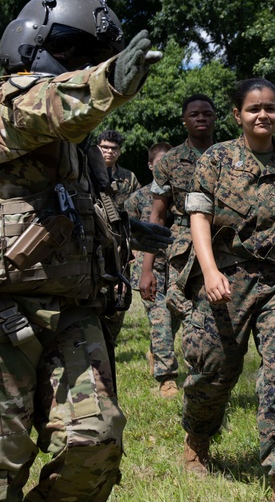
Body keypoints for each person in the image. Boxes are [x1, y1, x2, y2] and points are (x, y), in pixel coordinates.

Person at [0, 0, 169, 502]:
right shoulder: (5, 106)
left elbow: (66, 205)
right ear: (35, 44)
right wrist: (108, 81)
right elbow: (47, 108)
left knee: (94, 445)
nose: (87, 65)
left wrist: (122, 229)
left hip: (70, 314)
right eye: (80, 53)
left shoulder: (79, 146)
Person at [182, 78, 275, 502]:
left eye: (270, 108)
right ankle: (197, 440)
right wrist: (210, 269)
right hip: (227, 278)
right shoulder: (217, 159)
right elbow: (198, 217)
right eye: (253, 108)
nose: (263, 115)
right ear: (237, 115)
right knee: (214, 373)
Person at [137, 94, 216, 332]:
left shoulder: (232, 155)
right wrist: (147, 269)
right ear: (184, 120)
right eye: (194, 114)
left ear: (216, 118)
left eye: (207, 113)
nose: (200, 118)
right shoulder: (169, 162)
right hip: (184, 246)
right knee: (184, 307)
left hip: (224, 238)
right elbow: (157, 216)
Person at [123, 141, 182, 398]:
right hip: (150, 268)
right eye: (160, 164)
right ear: (150, 166)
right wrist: (138, 267)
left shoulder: (184, 196)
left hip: (179, 267)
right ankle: (167, 378)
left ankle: (156, 351)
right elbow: (126, 236)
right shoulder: (136, 199)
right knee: (160, 318)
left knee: (174, 318)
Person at [97, 130, 140, 207]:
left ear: (119, 151)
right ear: (97, 149)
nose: (110, 151)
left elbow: (140, 201)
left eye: (114, 148)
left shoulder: (129, 176)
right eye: (105, 147)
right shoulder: (88, 173)